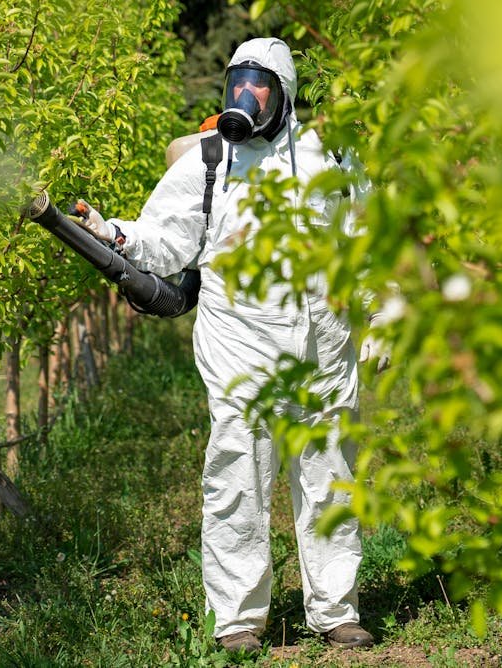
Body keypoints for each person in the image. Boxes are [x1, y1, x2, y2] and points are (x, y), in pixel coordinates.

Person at [75, 37, 374, 652]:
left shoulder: (333, 156)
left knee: (329, 482)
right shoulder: (208, 161)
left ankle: (336, 611)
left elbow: (368, 243)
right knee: (238, 477)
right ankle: (239, 621)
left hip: (323, 351)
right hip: (240, 350)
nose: (246, 94)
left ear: (284, 93)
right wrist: (112, 233)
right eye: (238, 79)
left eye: (259, 82)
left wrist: (382, 313)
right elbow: (163, 240)